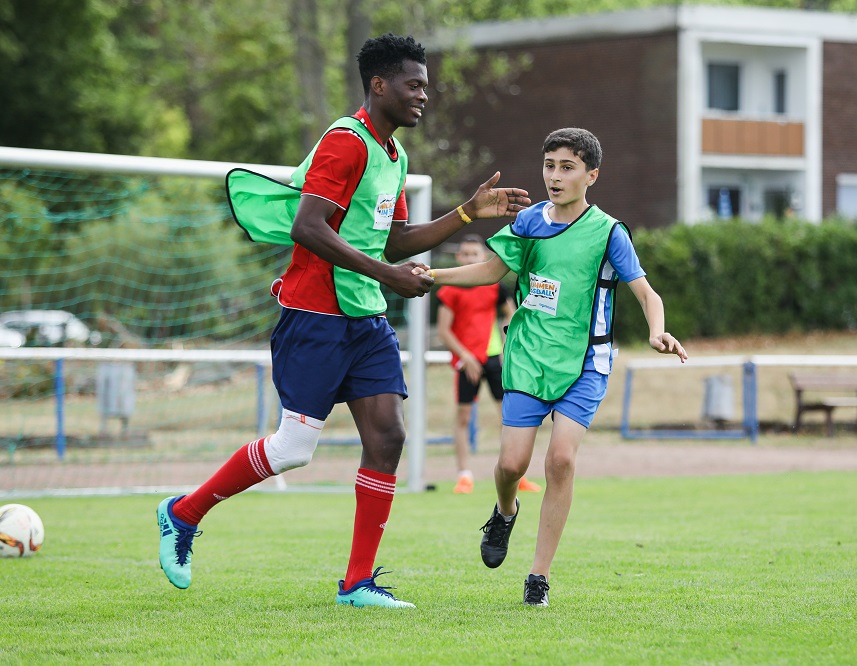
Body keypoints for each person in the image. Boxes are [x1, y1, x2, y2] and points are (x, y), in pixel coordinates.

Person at [155, 33, 530, 609]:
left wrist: (465, 213)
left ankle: (356, 584)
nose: (423, 95)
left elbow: (397, 238)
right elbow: (309, 226)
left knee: (388, 436)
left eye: (426, 86)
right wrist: (385, 274)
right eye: (413, 84)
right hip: (315, 315)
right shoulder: (344, 142)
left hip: (364, 318)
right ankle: (182, 513)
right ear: (379, 85)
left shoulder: (394, 155)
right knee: (294, 447)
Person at [416, 127, 687, 607]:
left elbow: (647, 292)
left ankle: (538, 576)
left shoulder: (609, 232)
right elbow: (492, 271)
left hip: (586, 362)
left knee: (560, 459)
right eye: (549, 166)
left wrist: (656, 331)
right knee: (510, 464)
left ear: (591, 175)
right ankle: (504, 511)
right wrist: (433, 275)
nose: (555, 177)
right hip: (528, 354)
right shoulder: (528, 222)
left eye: (567, 167)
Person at [435, 235, 540, 495]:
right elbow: (444, 330)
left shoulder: (494, 287)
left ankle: (516, 473)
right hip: (466, 363)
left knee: (510, 417)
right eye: (465, 254)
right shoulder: (449, 290)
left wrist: (507, 348)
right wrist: (465, 356)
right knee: (463, 417)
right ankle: (464, 476)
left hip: (494, 359)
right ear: (459, 258)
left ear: (483, 257)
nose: (470, 258)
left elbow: (512, 314)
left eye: (475, 254)